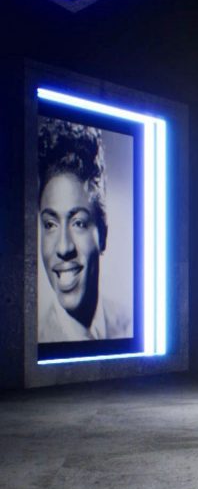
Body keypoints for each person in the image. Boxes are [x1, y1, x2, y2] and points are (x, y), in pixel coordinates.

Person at [37, 117, 131, 343]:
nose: (63, 247)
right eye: (50, 224)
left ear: (103, 233)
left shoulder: (130, 325)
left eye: (78, 222)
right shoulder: (35, 340)